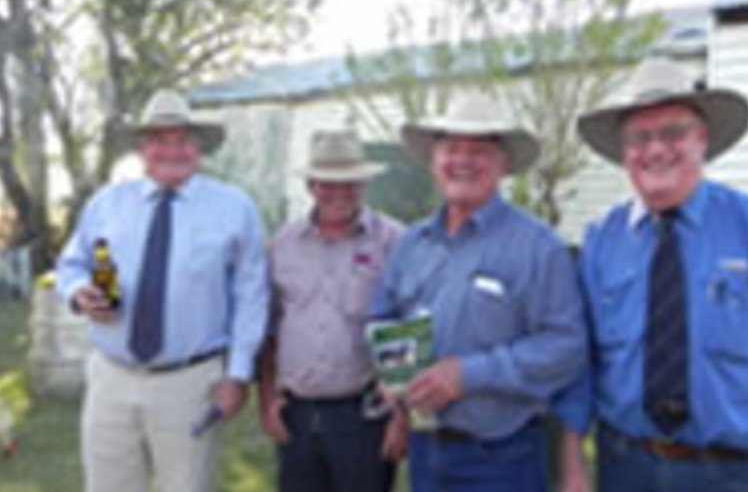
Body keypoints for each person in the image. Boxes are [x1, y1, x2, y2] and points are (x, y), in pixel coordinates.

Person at [557, 57, 748, 492]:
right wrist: (572, 460)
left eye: (672, 133)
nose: (655, 150)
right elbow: (581, 361)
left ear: (702, 140)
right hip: (625, 466)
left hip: (733, 472)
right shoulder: (600, 242)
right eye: (639, 137)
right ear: (623, 152)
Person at [371, 93, 586, 491]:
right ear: (434, 161)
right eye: (451, 148)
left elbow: (565, 347)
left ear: (503, 163)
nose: (463, 161)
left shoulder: (539, 247)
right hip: (425, 448)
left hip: (503, 457)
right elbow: (384, 314)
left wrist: (467, 375)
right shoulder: (411, 243)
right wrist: (393, 373)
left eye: (479, 150)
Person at [56, 89, 268, 492]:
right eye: (159, 139)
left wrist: (238, 374)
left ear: (199, 146)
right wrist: (80, 291)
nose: (172, 149)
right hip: (110, 378)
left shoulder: (234, 208)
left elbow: (251, 298)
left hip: (190, 383)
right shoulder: (106, 203)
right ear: (142, 147)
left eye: (183, 139)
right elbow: (71, 263)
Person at [257, 130, 406, 492]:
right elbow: (268, 330)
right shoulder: (282, 246)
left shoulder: (394, 242)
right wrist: (265, 401)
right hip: (297, 414)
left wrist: (402, 417)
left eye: (349, 183)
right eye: (328, 183)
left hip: (365, 413)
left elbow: (407, 331)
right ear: (310, 185)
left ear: (364, 184)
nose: (339, 193)